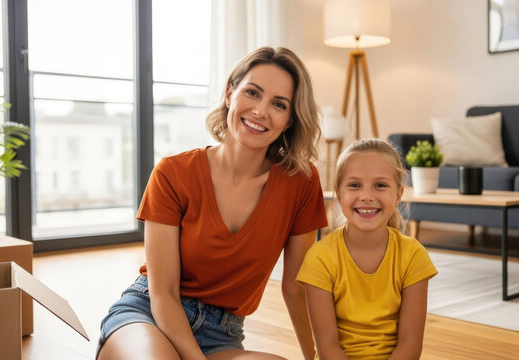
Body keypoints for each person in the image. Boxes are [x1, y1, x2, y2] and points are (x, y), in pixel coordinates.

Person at [97, 47, 328, 360]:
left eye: (278, 104)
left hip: (221, 334)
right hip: (149, 315)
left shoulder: (301, 182)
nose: (261, 111)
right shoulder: (173, 173)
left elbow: (296, 287)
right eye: (252, 92)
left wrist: (317, 355)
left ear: (288, 121)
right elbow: (163, 293)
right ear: (230, 93)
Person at [297, 139, 437, 360]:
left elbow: (410, 343)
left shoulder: (413, 255)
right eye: (354, 185)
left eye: (380, 185)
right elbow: (327, 348)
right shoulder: (320, 258)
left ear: (398, 194)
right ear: (339, 194)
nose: (367, 196)